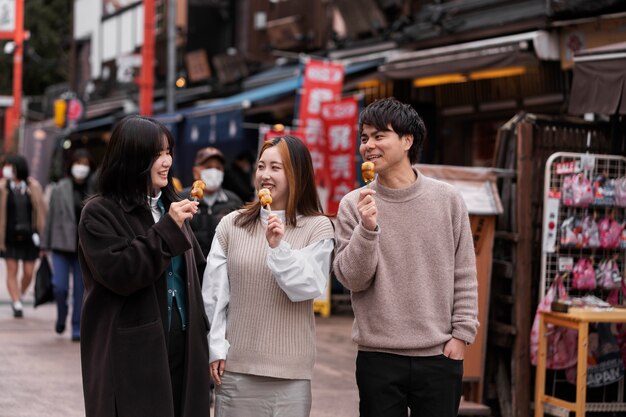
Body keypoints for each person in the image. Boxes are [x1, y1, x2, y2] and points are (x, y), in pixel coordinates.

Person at [333, 97, 479, 417]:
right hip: (378, 356)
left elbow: (465, 272)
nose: (369, 145)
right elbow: (351, 279)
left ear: (407, 140)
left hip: (440, 354)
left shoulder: (448, 200)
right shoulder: (353, 205)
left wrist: (461, 336)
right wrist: (368, 229)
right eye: (364, 138)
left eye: (379, 136)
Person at [77, 115, 211, 417]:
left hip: (185, 344)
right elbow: (122, 272)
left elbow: (196, 273)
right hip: (133, 353)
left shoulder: (171, 205)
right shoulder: (99, 213)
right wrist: (167, 228)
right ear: (131, 158)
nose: (166, 161)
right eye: (156, 154)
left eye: (168, 152)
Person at [203, 135, 334, 417]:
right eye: (261, 166)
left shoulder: (318, 227)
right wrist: (216, 347)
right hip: (236, 368)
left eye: (276, 168)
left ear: (297, 173)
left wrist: (279, 248)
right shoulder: (231, 224)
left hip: (291, 374)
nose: (265, 175)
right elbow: (215, 295)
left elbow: (308, 286)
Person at [41, 148, 95, 341]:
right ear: (71, 165)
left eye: (86, 164)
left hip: (83, 248)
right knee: (59, 287)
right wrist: (44, 245)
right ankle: (61, 316)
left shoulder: (93, 188)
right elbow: (50, 218)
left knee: (81, 290)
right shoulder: (59, 188)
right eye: (78, 163)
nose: (81, 168)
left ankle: (76, 326)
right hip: (61, 245)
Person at [0, 154, 47, 318]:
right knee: (11, 270)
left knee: (28, 272)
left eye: (10, 166)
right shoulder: (2, 187)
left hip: (30, 236)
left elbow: (42, 211)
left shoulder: (33, 186)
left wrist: (42, 235)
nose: (6, 170)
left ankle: (19, 294)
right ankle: (16, 303)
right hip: (9, 236)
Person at [182, 146, 242, 258]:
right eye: (208, 167)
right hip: (190, 269)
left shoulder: (234, 202)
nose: (214, 172)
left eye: (218, 168)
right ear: (195, 172)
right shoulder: (181, 200)